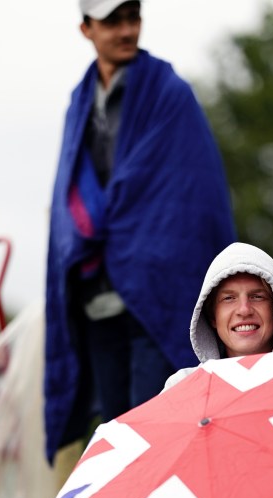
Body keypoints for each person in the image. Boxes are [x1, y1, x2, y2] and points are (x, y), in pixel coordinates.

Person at [44, 0, 237, 463]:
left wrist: (109, 220)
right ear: (86, 28)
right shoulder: (79, 100)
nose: (127, 30)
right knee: (118, 437)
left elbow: (189, 195)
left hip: (157, 295)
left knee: (162, 432)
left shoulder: (169, 92)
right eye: (113, 21)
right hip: (97, 297)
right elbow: (70, 190)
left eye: (133, 17)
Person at [163, 242, 273, 390]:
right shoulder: (182, 387)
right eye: (229, 298)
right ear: (213, 317)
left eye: (257, 297)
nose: (244, 310)